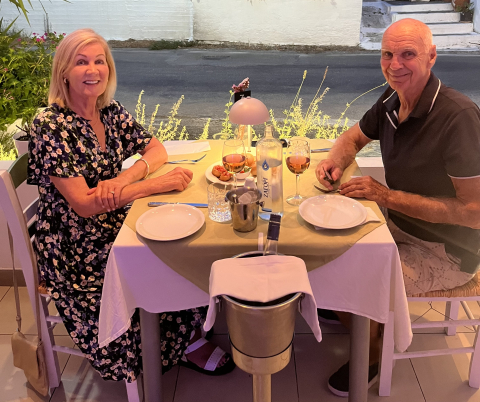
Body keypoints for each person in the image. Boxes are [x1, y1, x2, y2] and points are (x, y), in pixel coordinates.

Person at [27, 28, 234, 383]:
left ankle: (187, 330)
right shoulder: (50, 126)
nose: (93, 70)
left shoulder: (108, 111)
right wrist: (152, 184)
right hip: (75, 246)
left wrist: (125, 178)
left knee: (183, 238)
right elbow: (84, 205)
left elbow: (156, 149)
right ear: (64, 72)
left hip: (112, 219)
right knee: (160, 256)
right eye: (81, 62)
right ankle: (177, 341)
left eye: (99, 61)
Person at [315, 18, 480, 397]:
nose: (394, 65)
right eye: (387, 54)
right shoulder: (393, 100)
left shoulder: (458, 116)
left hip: (447, 252)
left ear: (431, 56)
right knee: (324, 250)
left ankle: (372, 351)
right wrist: (335, 162)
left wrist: (386, 196)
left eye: (408, 54)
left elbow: (474, 212)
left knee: (346, 276)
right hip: (398, 226)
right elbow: (352, 138)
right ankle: (353, 312)